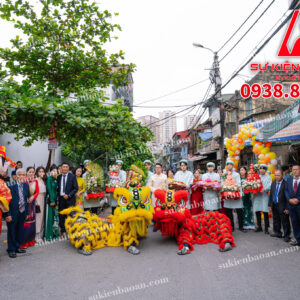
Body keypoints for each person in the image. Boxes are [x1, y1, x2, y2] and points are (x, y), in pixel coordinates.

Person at [4, 168, 30, 258]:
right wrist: (7, 214)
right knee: (11, 231)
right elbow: (5, 202)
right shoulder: (10, 186)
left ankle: (17, 247)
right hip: (12, 212)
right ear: (16, 176)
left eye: (23, 175)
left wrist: (27, 212)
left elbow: (27, 200)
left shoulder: (26, 185)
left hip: (22, 212)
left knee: (19, 230)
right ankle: (11, 249)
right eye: (20, 175)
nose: (21, 177)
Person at [222, 161, 245, 232]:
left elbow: (238, 183)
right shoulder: (224, 174)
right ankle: (231, 226)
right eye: (227, 165)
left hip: (235, 194)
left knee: (239, 211)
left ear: (233, 166)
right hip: (227, 194)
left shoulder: (237, 174)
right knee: (229, 211)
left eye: (230, 165)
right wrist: (225, 188)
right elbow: (222, 182)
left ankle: (241, 226)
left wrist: (235, 189)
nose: (229, 166)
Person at [268, 170, 291, 242]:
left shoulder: (286, 184)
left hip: (283, 205)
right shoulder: (273, 183)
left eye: (278, 175)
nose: (276, 177)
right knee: (276, 219)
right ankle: (278, 232)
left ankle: (287, 235)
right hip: (275, 204)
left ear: (282, 176)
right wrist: (269, 204)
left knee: (285, 221)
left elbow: (288, 197)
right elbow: (271, 194)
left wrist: (287, 208)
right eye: (275, 175)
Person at [57, 162, 78, 235]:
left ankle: (71, 230)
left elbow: (75, 188)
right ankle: (63, 231)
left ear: (68, 168)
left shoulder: (72, 176)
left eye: (66, 167)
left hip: (70, 199)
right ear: (61, 168)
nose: (65, 168)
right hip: (61, 199)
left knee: (71, 215)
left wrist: (68, 195)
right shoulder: (58, 177)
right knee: (61, 215)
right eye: (63, 167)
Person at [20, 166, 39, 249]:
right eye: (30, 172)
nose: (31, 173)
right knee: (25, 222)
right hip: (25, 204)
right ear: (27, 172)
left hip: (32, 203)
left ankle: (30, 241)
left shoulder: (35, 181)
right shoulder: (23, 181)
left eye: (33, 172)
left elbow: (37, 191)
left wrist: (33, 197)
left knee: (32, 222)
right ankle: (23, 242)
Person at [253, 164, 272, 234]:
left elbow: (270, 185)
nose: (261, 170)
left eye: (263, 169)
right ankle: (259, 227)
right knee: (257, 211)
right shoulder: (256, 177)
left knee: (265, 212)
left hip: (264, 196)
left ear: (265, 170)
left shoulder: (268, 177)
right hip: (257, 196)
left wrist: (265, 189)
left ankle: (266, 228)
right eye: (260, 169)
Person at [284, 164, 300, 246]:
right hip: (291, 205)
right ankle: (298, 240)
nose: (295, 171)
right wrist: (289, 199)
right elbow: (286, 191)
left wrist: (298, 199)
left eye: (297, 169)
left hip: (299, 204)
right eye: (294, 169)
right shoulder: (288, 180)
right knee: (294, 223)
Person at [45, 165, 59, 241]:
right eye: (53, 171)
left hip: (55, 200)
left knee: (55, 217)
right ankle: (49, 235)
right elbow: (49, 190)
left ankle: (55, 234)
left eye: (56, 171)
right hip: (51, 201)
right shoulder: (49, 179)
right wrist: (52, 200)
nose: (54, 172)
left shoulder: (55, 179)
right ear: (50, 172)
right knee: (50, 218)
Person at [35, 166, 47, 243]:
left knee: (42, 217)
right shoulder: (35, 180)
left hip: (43, 198)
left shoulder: (43, 180)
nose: (41, 173)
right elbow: (33, 191)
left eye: (43, 171)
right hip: (38, 199)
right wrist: (36, 202)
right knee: (38, 217)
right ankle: (36, 236)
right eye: (40, 171)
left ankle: (41, 234)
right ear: (37, 172)